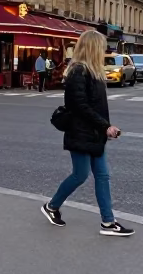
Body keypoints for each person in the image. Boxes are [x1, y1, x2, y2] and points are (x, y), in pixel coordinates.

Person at [40, 29, 133, 236]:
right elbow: (80, 106)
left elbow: (96, 106)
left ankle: (108, 223)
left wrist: (104, 127)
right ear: (92, 48)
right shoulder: (78, 72)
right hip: (81, 132)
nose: (104, 51)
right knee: (80, 175)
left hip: (94, 132)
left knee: (102, 175)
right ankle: (51, 206)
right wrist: (105, 126)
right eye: (101, 47)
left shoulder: (93, 72)